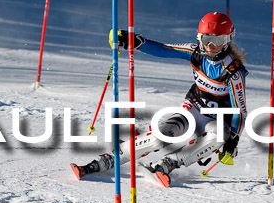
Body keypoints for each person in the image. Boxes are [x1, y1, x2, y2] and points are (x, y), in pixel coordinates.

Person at [70, 12, 248, 187]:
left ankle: (168, 163)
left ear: (228, 40)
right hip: (193, 108)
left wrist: (233, 140)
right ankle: (108, 160)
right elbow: (164, 49)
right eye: (205, 38)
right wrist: (136, 42)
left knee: (217, 138)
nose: (210, 45)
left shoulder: (233, 72)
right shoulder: (195, 53)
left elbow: (240, 111)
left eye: (217, 41)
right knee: (159, 138)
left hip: (217, 120)